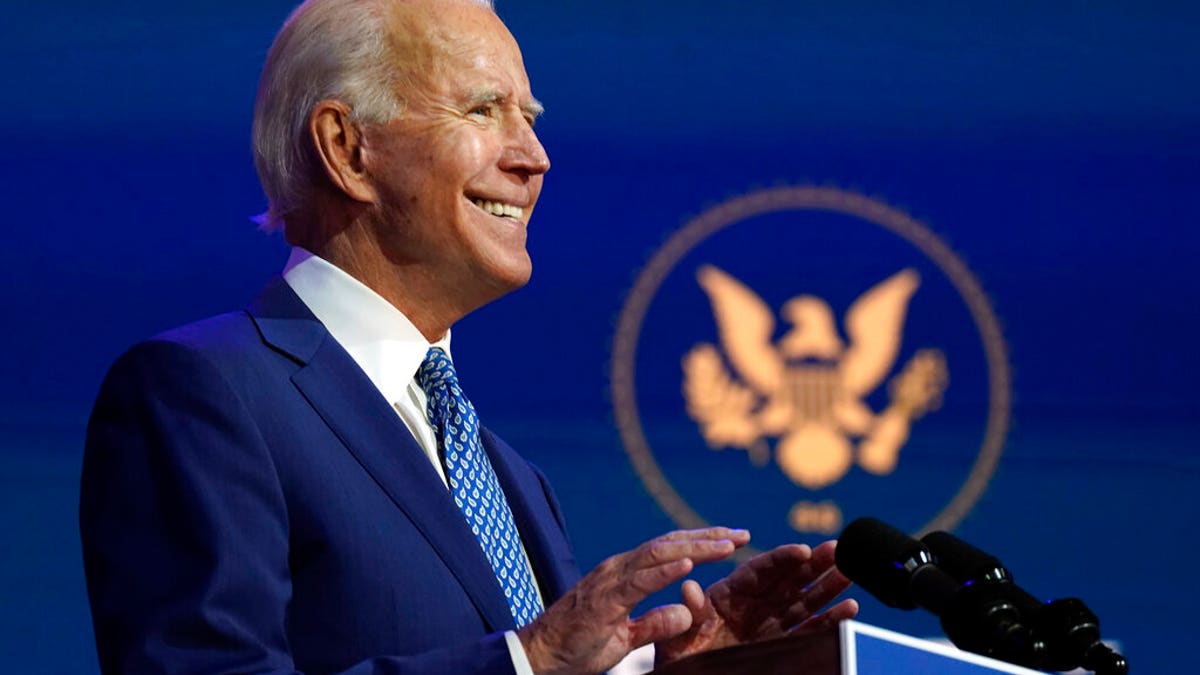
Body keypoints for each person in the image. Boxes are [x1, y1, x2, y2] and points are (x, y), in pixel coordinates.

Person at [79, 0, 858, 673]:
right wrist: (529, 659)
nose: (535, 158)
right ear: (348, 148)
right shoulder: (203, 393)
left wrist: (656, 668)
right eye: (484, 111)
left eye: (530, 118)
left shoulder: (511, 476)